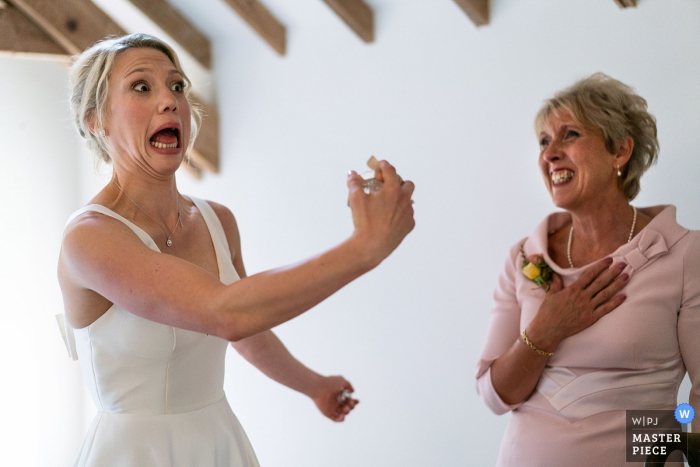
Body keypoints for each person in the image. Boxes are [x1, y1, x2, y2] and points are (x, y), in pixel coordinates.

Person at [57, 33, 415, 466]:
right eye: (141, 86)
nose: (170, 101)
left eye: (177, 86)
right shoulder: (90, 237)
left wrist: (312, 385)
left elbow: (248, 326)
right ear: (96, 120)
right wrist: (364, 249)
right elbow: (225, 312)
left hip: (218, 441)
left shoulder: (217, 220)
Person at [476, 73, 699, 466]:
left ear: (620, 151)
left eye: (570, 135)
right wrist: (546, 330)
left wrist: (667, 452)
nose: (550, 154)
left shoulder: (683, 253)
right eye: (544, 142)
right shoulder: (525, 257)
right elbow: (495, 397)